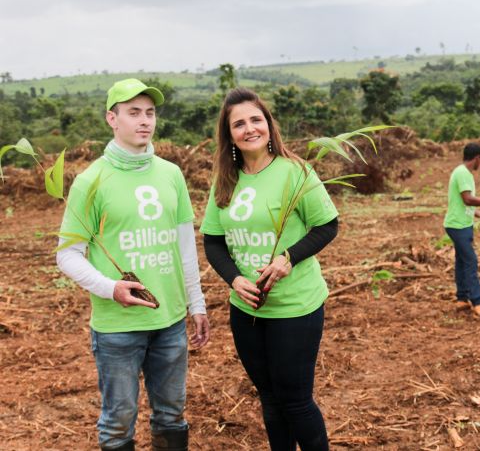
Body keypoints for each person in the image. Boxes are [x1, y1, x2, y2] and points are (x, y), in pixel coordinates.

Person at [56, 78, 210, 451]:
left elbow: (184, 245)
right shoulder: (90, 181)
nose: (145, 121)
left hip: (170, 321)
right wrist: (111, 288)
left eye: (150, 113)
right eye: (133, 113)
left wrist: (197, 303)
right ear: (112, 118)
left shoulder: (170, 173)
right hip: (117, 328)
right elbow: (67, 254)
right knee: (118, 420)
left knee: (171, 414)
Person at [201, 87, 338, 451]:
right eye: (239, 123)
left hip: (295, 306)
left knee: (294, 399)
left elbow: (327, 226)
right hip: (246, 309)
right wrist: (234, 279)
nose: (249, 129)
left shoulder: (295, 172)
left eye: (256, 120)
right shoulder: (225, 180)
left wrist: (287, 257)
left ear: (268, 125)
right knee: (270, 398)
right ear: (228, 134)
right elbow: (213, 241)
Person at [444, 143, 480, 319]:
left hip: (460, 223)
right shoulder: (463, 173)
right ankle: (477, 302)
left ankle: (462, 298)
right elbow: (468, 199)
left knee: (462, 261)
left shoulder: (461, 171)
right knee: (471, 261)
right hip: (458, 225)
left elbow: (464, 203)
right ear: (477, 157)